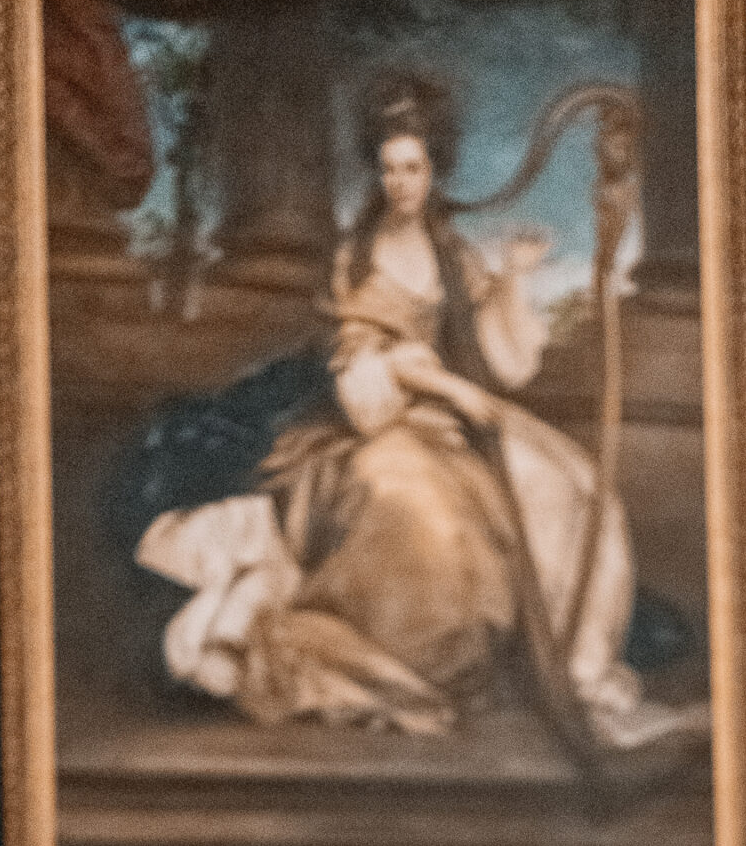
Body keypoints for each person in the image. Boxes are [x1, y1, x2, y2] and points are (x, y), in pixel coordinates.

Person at [135, 74, 694, 751]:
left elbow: (504, 365)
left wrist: (513, 276)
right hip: (371, 428)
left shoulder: (455, 254)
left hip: (450, 420)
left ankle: (574, 672)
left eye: (414, 167)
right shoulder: (357, 258)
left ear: (434, 171)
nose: (401, 181)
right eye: (389, 168)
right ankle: (428, 667)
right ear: (376, 172)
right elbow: (361, 386)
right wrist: (428, 381)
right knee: (415, 505)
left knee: (572, 486)